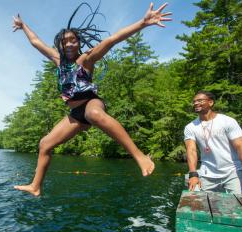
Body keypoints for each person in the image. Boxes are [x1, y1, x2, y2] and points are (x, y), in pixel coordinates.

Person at [12, 2, 172, 196]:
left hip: (91, 102)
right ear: (59, 45)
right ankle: (36, 186)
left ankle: (140, 157)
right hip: (75, 114)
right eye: (64, 41)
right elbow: (36, 42)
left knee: (94, 113)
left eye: (73, 40)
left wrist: (143, 23)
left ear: (79, 42)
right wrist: (23, 26)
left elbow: (112, 40)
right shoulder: (58, 60)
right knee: (45, 144)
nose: (69, 44)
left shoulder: (86, 59)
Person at [184, 91, 242, 195]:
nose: (196, 103)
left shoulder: (227, 121)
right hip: (207, 174)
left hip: (233, 172)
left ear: (210, 102)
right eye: (194, 101)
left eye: (200, 100)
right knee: (198, 204)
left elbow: (241, 146)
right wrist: (193, 174)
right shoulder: (190, 127)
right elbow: (191, 150)